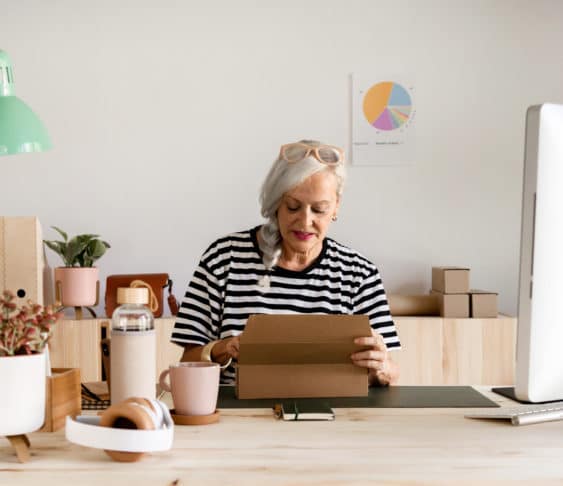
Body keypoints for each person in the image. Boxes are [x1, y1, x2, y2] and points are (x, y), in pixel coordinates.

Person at [171, 140, 400, 386]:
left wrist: (381, 366)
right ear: (275, 204)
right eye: (293, 207)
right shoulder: (223, 259)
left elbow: (390, 373)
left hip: (333, 414)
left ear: (336, 207)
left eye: (319, 210)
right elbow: (187, 362)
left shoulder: (358, 273)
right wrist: (224, 348)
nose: (305, 221)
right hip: (237, 414)